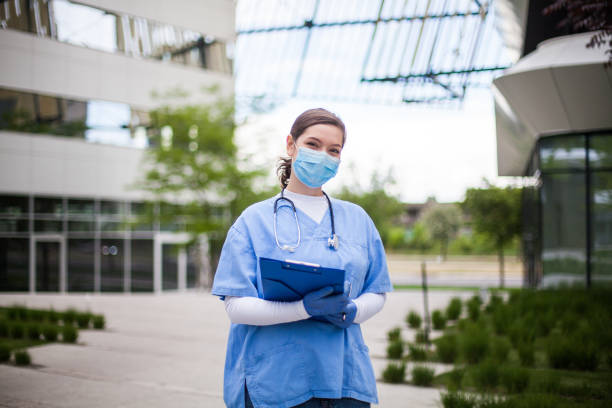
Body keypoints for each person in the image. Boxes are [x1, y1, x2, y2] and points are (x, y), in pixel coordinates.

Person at [212, 108, 393, 408]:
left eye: (333, 150)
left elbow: (378, 290)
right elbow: (236, 306)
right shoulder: (253, 221)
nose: (323, 155)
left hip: (345, 381)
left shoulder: (357, 219)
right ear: (291, 145)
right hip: (277, 379)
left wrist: (354, 310)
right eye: (313, 144)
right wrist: (302, 308)